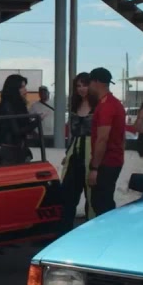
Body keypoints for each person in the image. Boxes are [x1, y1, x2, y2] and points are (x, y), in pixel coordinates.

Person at [86, 67, 125, 216]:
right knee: (103, 201)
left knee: (101, 204)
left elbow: (102, 139)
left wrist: (94, 168)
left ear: (96, 82)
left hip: (106, 162)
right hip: (114, 160)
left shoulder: (106, 106)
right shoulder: (114, 103)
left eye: (89, 82)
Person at [57, 73, 93, 232]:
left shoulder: (99, 105)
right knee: (67, 196)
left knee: (92, 197)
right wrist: (68, 154)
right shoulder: (74, 105)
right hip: (74, 154)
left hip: (92, 154)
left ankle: (91, 234)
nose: (82, 89)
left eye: (85, 85)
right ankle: (64, 233)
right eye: (78, 86)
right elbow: (72, 134)